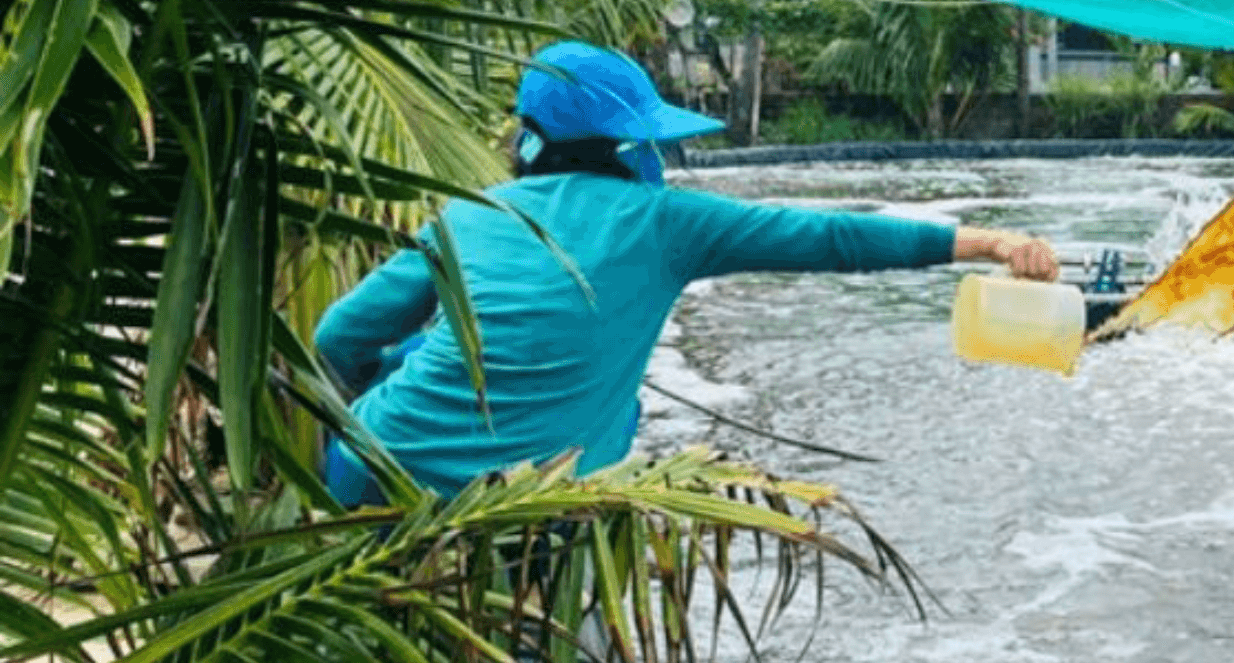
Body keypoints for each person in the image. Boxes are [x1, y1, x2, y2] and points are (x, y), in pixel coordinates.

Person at [314, 40, 1057, 503]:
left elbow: (337, 334)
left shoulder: (470, 213)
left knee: (413, 356)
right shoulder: (667, 223)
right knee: (619, 412)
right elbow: (831, 237)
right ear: (633, 149)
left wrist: (373, 379)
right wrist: (989, 243)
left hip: (364, 473)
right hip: (519, 512)